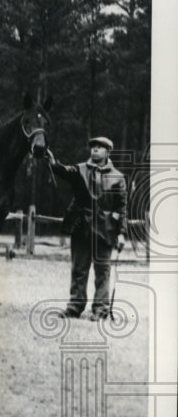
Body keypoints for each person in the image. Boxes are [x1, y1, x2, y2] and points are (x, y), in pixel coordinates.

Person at [49, 136, 127, 320]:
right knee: (78, 269)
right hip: (81, 227)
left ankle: (100, 310)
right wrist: (53, 163)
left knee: (102, 272)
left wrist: (122, 233)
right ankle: (74, 307)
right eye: (93, 147)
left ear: (108, 152)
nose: (95, 150)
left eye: (100, 147)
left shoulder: (118, 177)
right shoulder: (79, 169)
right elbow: (64, 171)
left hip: (105, 230)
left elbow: (122, 207)